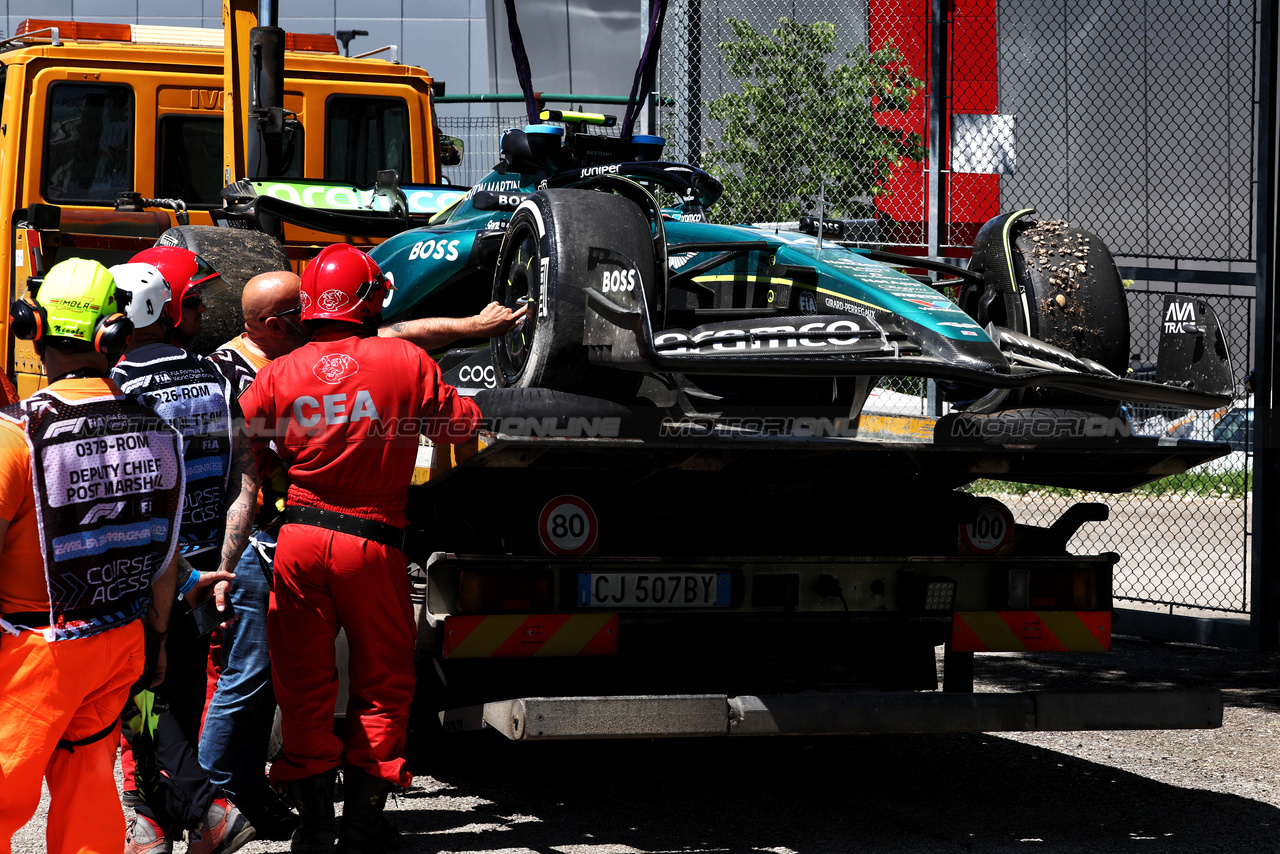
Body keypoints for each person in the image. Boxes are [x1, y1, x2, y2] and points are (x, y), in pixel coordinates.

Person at [201, 270, 524, 847]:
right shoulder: (403, 359)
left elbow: (249, 451)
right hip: (371, 545)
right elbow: (460, 426)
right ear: (368, 301)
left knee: (302, 687)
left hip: (297, 544)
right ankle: (364, 825)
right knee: (383, 686)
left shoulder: (277, 371)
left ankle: (316, 828)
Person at [0, 258, 184, 853]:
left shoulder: (17, 434)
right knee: (88, 794)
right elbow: (164, 556)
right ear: (116, 332)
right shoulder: (159, 431)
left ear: (33, 324)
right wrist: (156, 643)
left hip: (34, 652)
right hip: (119, 641)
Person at [110, 259, 255, 854]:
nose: (200, 312)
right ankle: (162, 821)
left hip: (151, 568)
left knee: (140, 693)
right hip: (205, 564)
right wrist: (217, 571)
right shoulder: (222, 378)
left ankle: (189, 813)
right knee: (181, 696)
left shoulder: (118, 384)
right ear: (168, 310)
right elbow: (246, 481)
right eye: (192, 303)